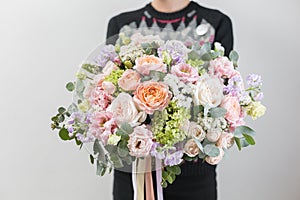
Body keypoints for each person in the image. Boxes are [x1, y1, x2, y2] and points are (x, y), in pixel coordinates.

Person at [106, 0, 234, 199]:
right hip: (135, 175)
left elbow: (223, 94)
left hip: (194, 175)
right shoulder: (122, 25)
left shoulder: (215, 23)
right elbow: (111, 97)